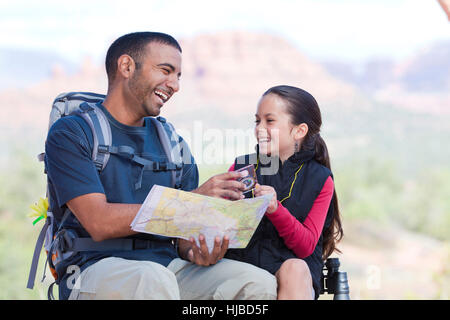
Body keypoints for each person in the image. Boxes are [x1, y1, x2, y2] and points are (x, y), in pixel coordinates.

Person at [44, 31, 277, 300]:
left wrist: (197, 250)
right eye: (166, 71)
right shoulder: (72, 133)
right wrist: (190, 199)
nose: (175, 85)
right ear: (127, 67)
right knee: (152, 280)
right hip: (91, 270)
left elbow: (183, 238)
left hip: (164, 268)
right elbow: (99, 222)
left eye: (178, 76)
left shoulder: (173, 144)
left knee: (256, 284)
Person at [225, 85, 344, 300]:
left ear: (299, 131)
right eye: (257, 120)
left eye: (269, 121)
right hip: (244, 266)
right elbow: (222, 227)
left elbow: (306, 246)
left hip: (293, 273)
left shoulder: (320, 179)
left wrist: (274, 209)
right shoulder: (242, 167)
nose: (259, 128)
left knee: (295, 268)